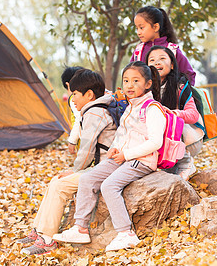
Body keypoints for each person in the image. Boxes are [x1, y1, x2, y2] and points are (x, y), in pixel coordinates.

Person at [53, 61, 166, 251]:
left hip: (142, 160)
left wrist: (127, 154)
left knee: (109, 185)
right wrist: (115, 149)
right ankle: (80, 228)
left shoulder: (152, 109)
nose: (130, 85)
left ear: (147, 84)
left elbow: (156, 142)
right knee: (88, 178)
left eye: (135, 80)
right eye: (126, 81)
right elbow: (122, 134)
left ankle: (125, 233)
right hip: (123, 157)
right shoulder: (129, 108)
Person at [17, 69, 117, 255]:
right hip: (99, 166)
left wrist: (75, 170)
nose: (73, 100)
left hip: (105, 168)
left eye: (75, 95)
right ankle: (38, 230)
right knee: (56, 180)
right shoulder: (94, 110)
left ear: (89, 94)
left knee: (60, 185)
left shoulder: (95, 114)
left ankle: (47, 240)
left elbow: (87, 149)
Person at [146, 45, 203, 180]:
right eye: (152, 60)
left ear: (172, 65)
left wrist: (172, 114)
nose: (156, 63)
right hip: (163, 140)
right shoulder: (145, 89)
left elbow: (193, 115)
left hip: (190, 138)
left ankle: (186, 163)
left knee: (168, 121)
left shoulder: (180, 86)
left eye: (162, 58)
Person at [130, 6, 196, 86]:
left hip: (168, 97)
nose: (138, 32)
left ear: (155, 27)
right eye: (137, 28)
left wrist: (182, 93)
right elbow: (131, 74)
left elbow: (189, 74)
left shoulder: (172, 50)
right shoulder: (138, 51)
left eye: (141, 27)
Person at [60, 66, 84, 154]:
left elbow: (79, 119)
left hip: (83, 141)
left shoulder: (74, 99)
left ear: (67, 84)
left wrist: (72, 140)